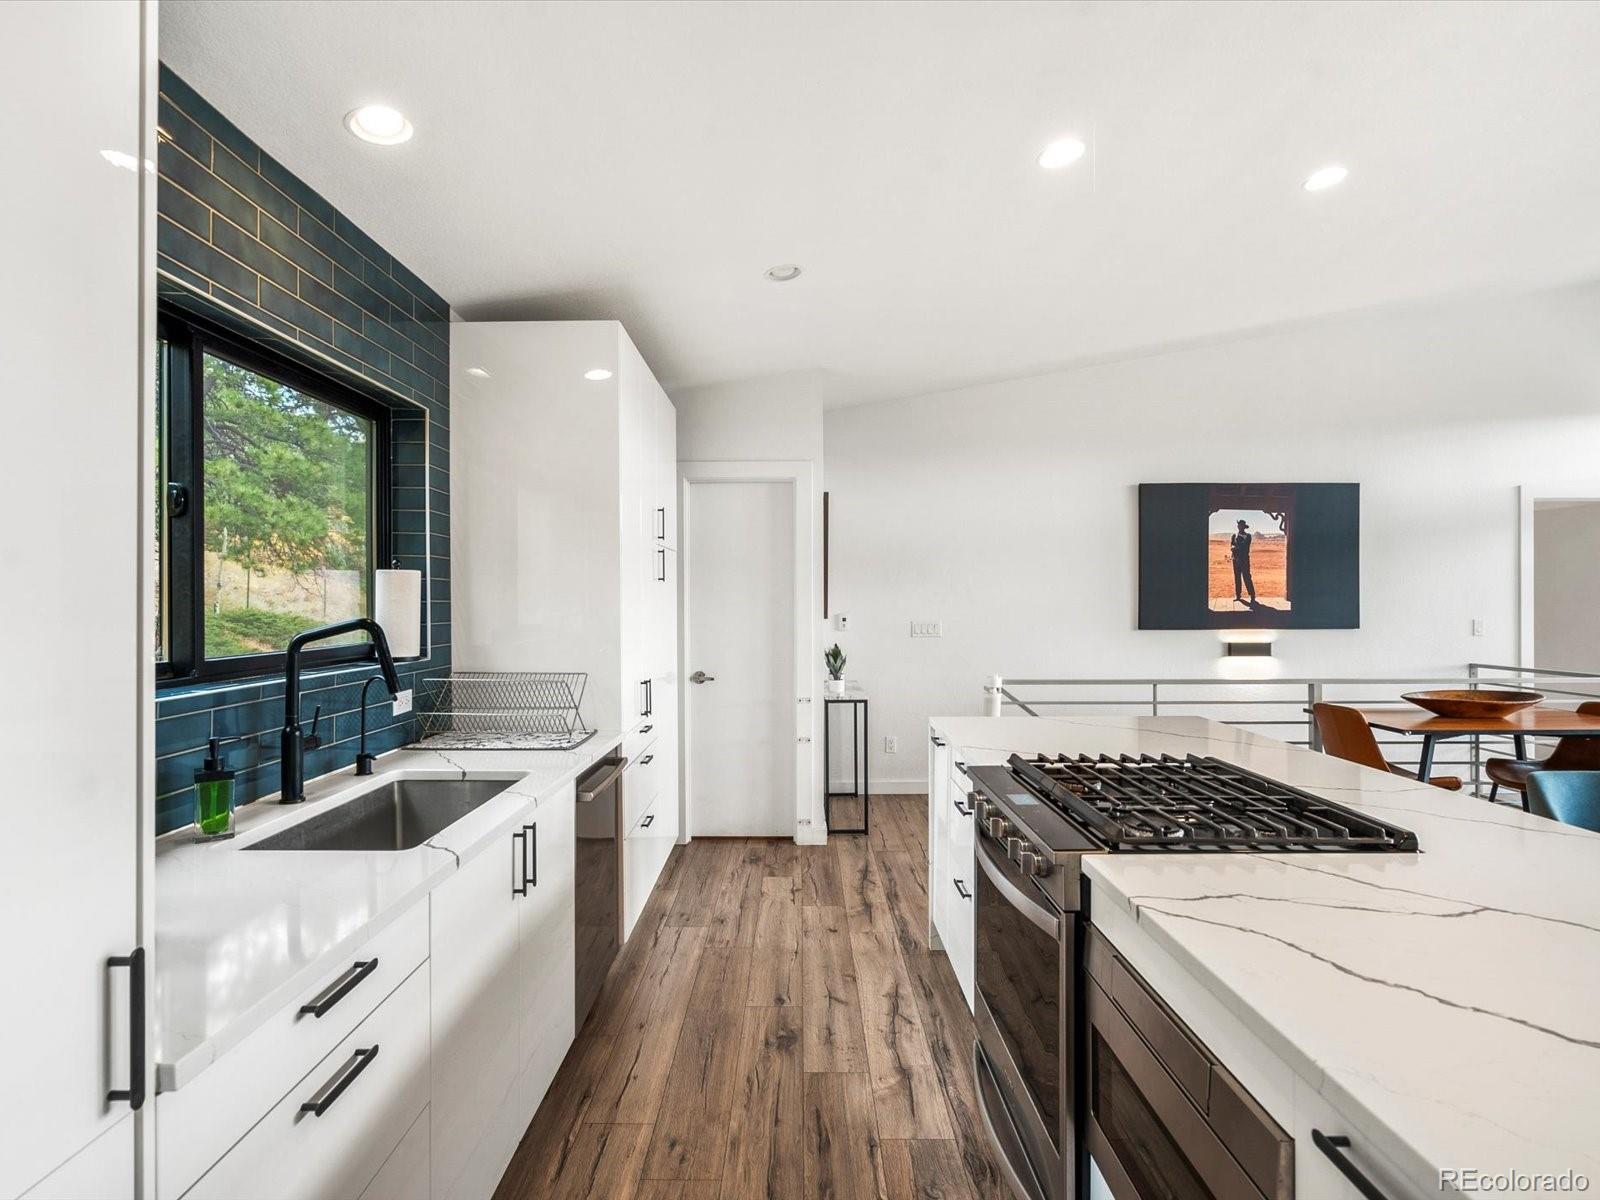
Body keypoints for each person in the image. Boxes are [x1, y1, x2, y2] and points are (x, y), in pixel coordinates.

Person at [1230, 519, 1256, 604]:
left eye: (1241, 526)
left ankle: (1252, 595)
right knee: (1237, 578)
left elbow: (1244, 547)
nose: (1239, 527)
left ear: (1244, 527)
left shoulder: (1248, 536)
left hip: (1244, 560)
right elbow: (1231, 545)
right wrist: (1234, 548)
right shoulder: (1234, 535)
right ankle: (1238, 595)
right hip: (1235, 560)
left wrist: (1235, 547)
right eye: (1238, 525)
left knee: (1247, 578)